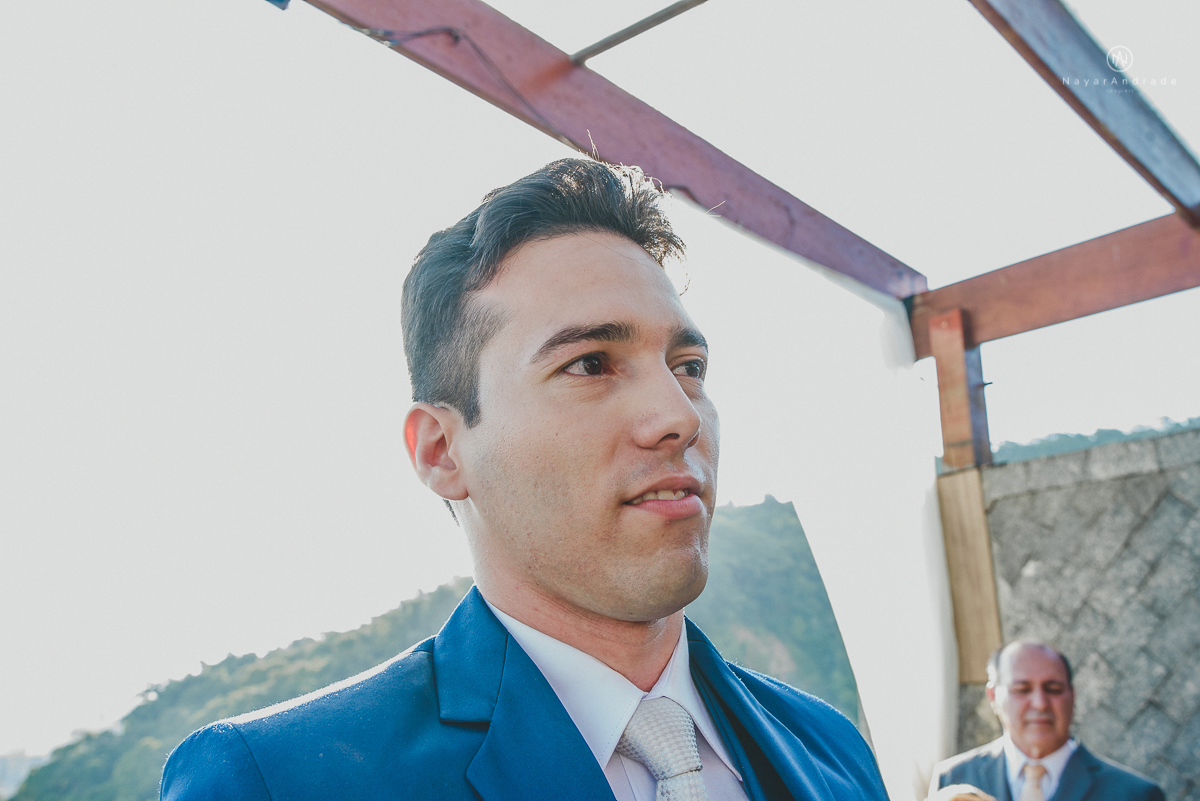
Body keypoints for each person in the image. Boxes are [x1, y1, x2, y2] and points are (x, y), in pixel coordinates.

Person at [158, 158, 888, 800]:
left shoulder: (832, 748)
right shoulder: (277, 783)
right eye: (590, 364)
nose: (678, 415)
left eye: (688, 367)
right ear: (442, 451)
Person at [928, 639, 1164, 801]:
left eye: (1053, 689)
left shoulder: (1134, 794)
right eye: (1022, 689)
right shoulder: (953, 778)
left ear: (1072, 696)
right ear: (993, 696)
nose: (1040, 703)